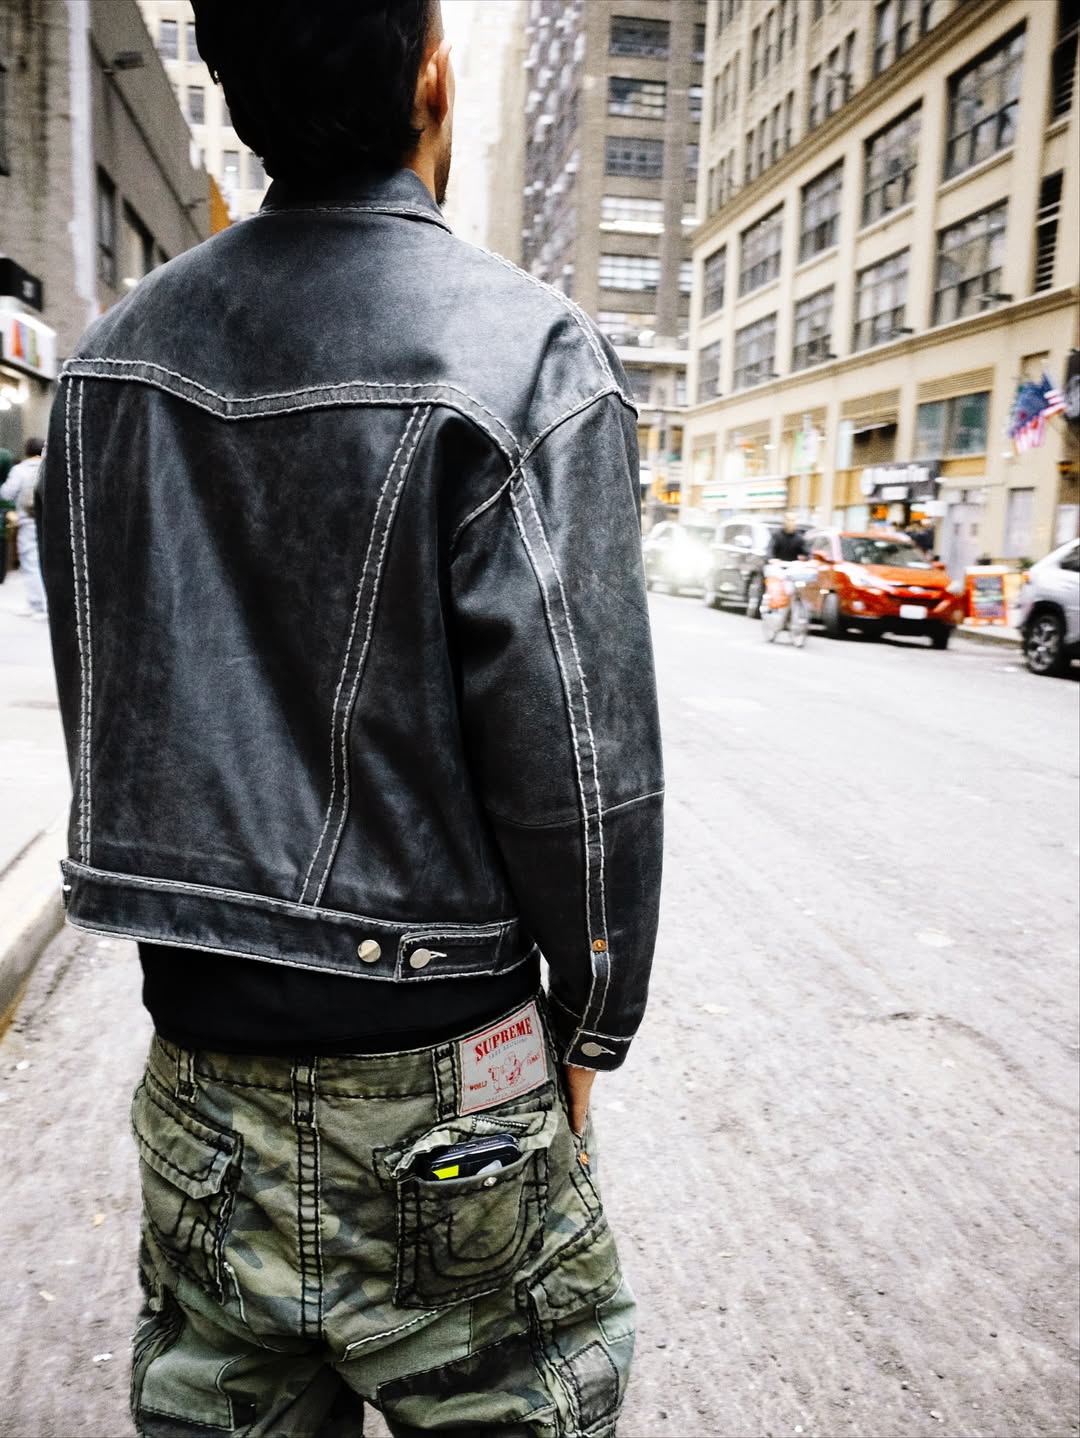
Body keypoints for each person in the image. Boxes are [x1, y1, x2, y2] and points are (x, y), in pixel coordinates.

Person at [39, 3, 663, 1434]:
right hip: (450, 1081)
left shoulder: (109, 367)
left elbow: (115, 705)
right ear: (431, 73)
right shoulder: (526, 356)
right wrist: (593, 1023)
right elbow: (581, 769)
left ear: (238, 89)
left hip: (202, 1084)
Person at [1, 437, 47, 617]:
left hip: (28, 520)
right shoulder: (50, 465)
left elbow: (7, 492)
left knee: (31, 561)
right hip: (50, 521)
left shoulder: (19, 470)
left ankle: (37, 603)